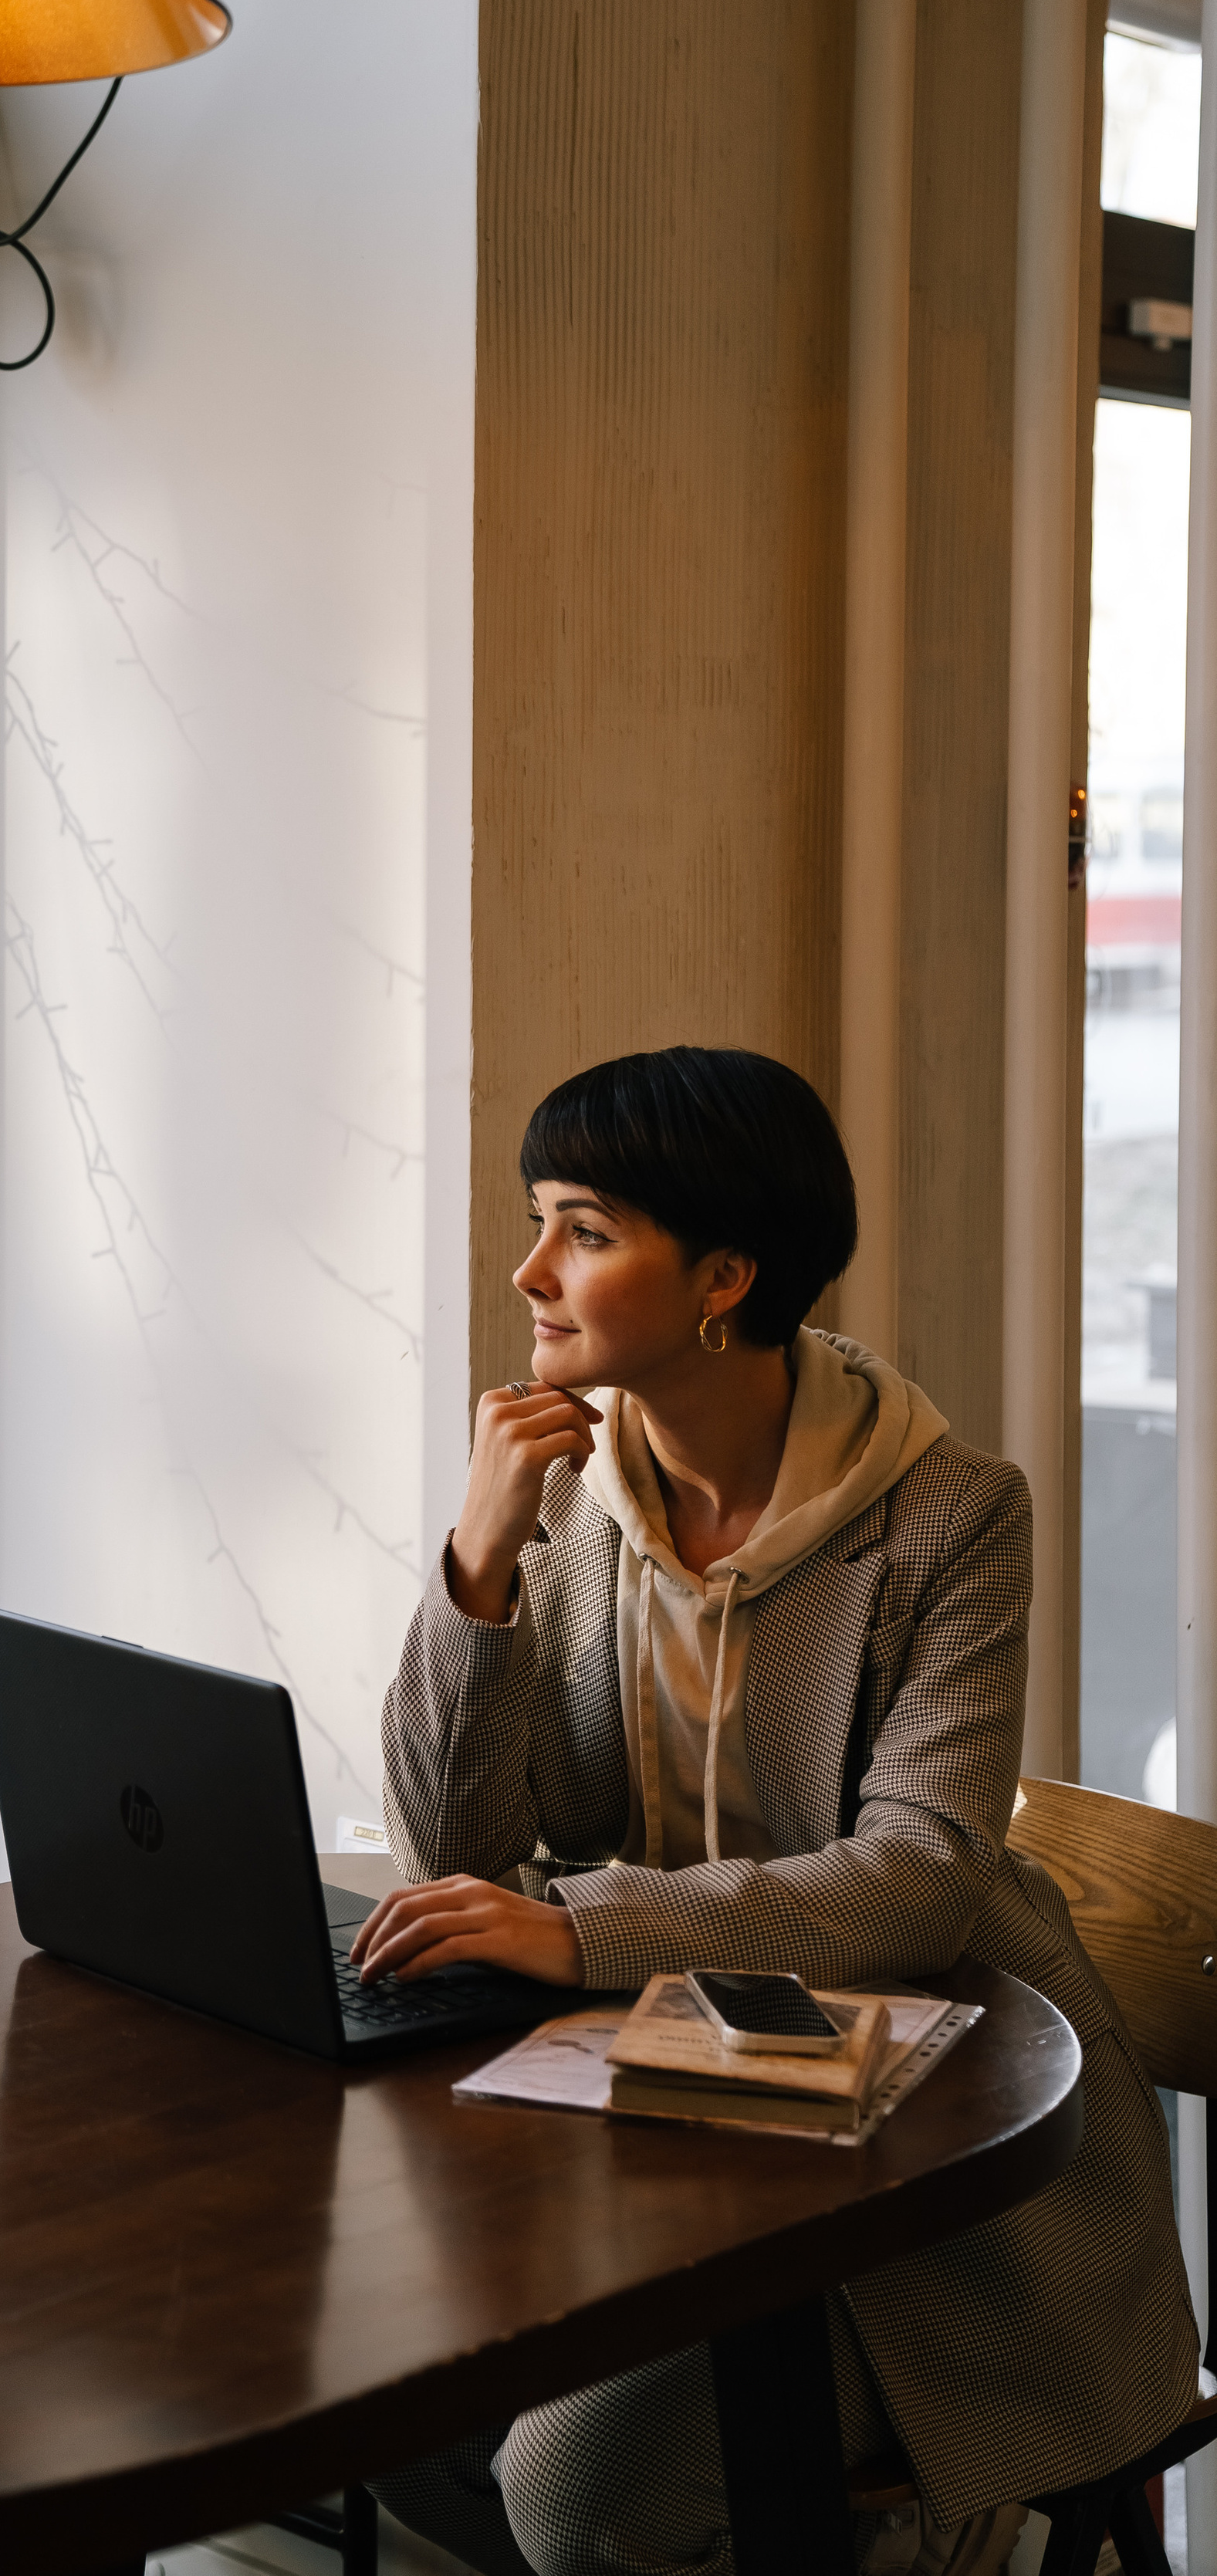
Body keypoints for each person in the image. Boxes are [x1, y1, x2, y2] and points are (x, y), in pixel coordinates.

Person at [358, 1046, 1198, 2576]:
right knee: (383, 2392)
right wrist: (478, 1563)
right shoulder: (575, 1488)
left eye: (585, 1231)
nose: (525, 1268)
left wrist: (575, 1928)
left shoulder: (948, 1518)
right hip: (674, 2099)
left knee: (568, 2488)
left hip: (937, 2141)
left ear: (721, 1279)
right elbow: (456, 1854)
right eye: (539, 1220)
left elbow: (917, 1883)